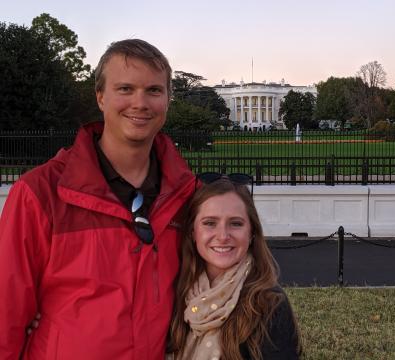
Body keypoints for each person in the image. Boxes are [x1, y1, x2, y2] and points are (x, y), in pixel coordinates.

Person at [0, 39, 195, 359]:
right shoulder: (39, 193)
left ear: (168, 100)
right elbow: (6, 313)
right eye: (125, 89)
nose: (140, 103)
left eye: (154, 91)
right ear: (101, 97)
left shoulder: (187, 195)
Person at [168, 176, 301, 360]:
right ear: (193, 232)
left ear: (252, 233)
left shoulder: (269, 304)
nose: (223, 236)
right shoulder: (175, 294)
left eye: (236, 224)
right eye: (209, 223)